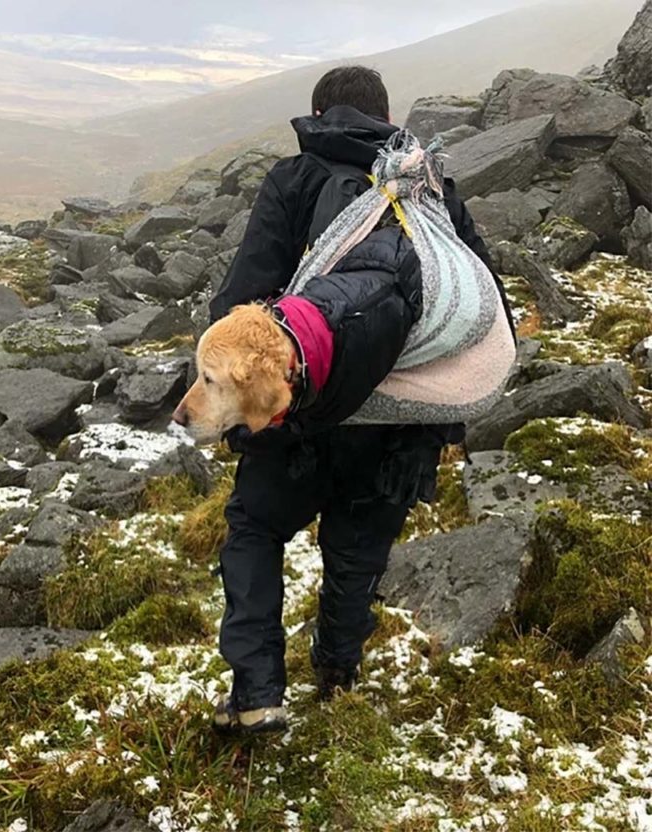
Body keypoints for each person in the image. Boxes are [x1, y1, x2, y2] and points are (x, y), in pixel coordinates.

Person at [208, 66, 513, 734]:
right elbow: (483, 306)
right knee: (357, 553)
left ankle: (257, 693)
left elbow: (244, 304)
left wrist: (241, 412)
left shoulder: (294, 181)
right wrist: (441, 420)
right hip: (400, 428)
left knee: (255, 532)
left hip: (302, 420)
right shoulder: (430, 194)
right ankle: (338, 677)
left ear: (319, 116)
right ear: (386, 117)